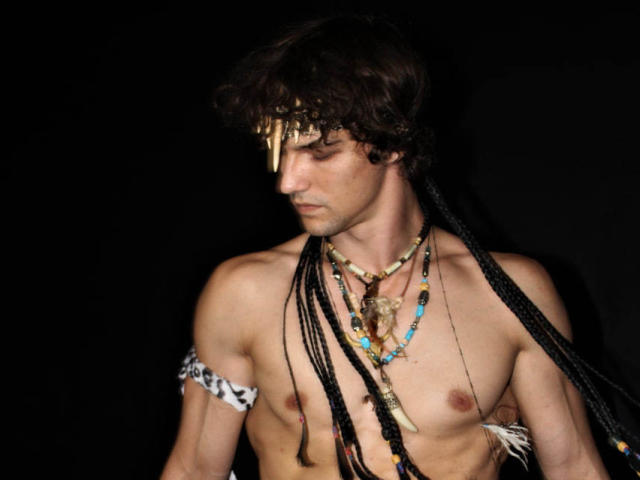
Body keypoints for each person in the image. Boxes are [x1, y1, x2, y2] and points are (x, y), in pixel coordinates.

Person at [160, 15, 639, 480]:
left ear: (393, 142)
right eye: (280, 152)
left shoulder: (508, 294)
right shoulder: (245, 293)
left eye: (320, 151)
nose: (287, 181)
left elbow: (574, 468)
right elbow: (195, 470)